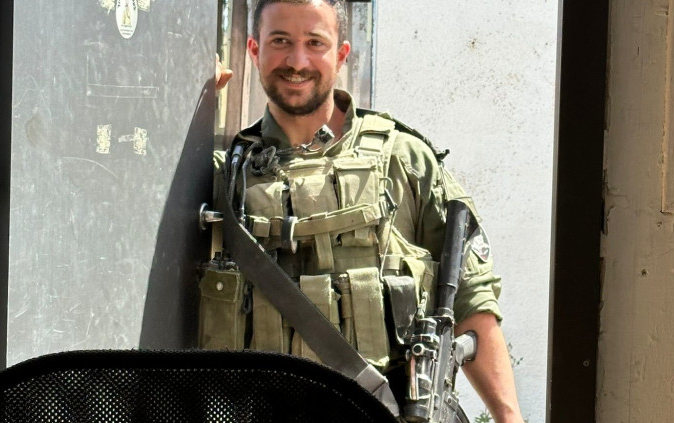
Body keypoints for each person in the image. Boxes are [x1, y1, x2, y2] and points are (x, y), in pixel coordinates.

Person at [206, 1, 523, 421]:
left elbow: (468, 296)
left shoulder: (403, 159)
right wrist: (185, 95)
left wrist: (508, 416)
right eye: (280, 41)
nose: (297, 61)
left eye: (315, 43)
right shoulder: (226, 174)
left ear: (341, 55)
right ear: (253, 50)